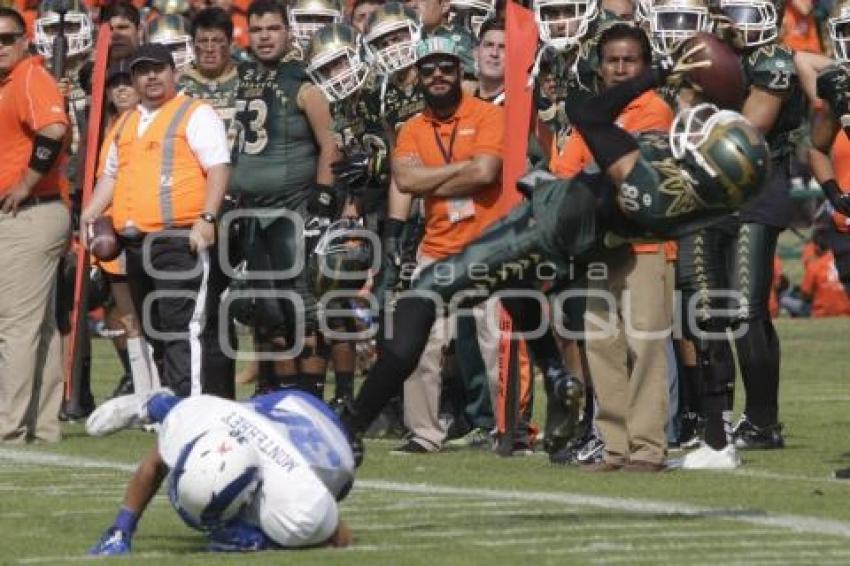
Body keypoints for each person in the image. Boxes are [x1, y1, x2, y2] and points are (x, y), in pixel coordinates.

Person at [337, 37, 586, 460]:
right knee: (418, 345)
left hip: (491, 243)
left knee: (498, 343)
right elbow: (407, 182)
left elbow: (485, 173)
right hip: (436, 247)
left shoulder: (489, 115)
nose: (438, 76)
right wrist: (455, 173)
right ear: (417, 75)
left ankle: (511, 429)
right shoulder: (412, 127)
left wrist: (431, 175)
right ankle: (423, 432)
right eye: (430, 69)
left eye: (446, 68)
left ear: (460, 71)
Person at [549, 23, 675, 472]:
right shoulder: (595, 111)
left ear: (644, 67)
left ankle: (648, 448)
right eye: (612, 61)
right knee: (602, 346)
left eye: (630, 61)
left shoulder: (653, 108)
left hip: (644, 243)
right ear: (599, 67)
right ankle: (614, 446)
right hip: (599, 247)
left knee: (644, 348)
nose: (620, 68)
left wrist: (591, 174)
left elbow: (630, 173)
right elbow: (564, 173)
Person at [80, 43, 234, 399]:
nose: (151, 76)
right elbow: (111, 177)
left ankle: (190, 410)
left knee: (182, 329)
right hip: (136, 244)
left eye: (158, 69)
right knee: (155, 329)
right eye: (142, 71)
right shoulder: (126, 122)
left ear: (173, 72)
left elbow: (218, 167)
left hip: (179, 237)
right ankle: (172, 406)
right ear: (133, 78)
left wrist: (207, 218)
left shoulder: (194, 112)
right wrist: (89, 214)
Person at [86, 388, 355, 555]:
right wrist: (121, 529)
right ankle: (152, 404)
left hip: (322, 432)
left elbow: (339, 535)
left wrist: (263, 542)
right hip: (263, 411)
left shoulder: (299, 506)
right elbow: (155, 464)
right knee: (179, 410)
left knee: (339, 482)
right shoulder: (198, 423)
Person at [229, 0, 339, 398]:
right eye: (257, 30)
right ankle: (284, 395)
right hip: (255, 214)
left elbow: (331, 146)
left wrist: (322, 203)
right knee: (268, 313)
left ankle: (310, 398)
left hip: (294, 211)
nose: (264, 37)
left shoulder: (303, 84)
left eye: (272, 29)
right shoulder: (244, 78)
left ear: (288, 31)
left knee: (304, 312)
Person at [0, 6, 71, 443]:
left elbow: (54, 130)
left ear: (25, 40)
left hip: (30, 211)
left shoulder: (29, 77)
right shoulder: (13, 82)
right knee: (37, 325)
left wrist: (26, 183)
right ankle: (43, 425)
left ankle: (8, 427)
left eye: (7, 37)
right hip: (31, 212)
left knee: (15, 325)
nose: (0, 46)